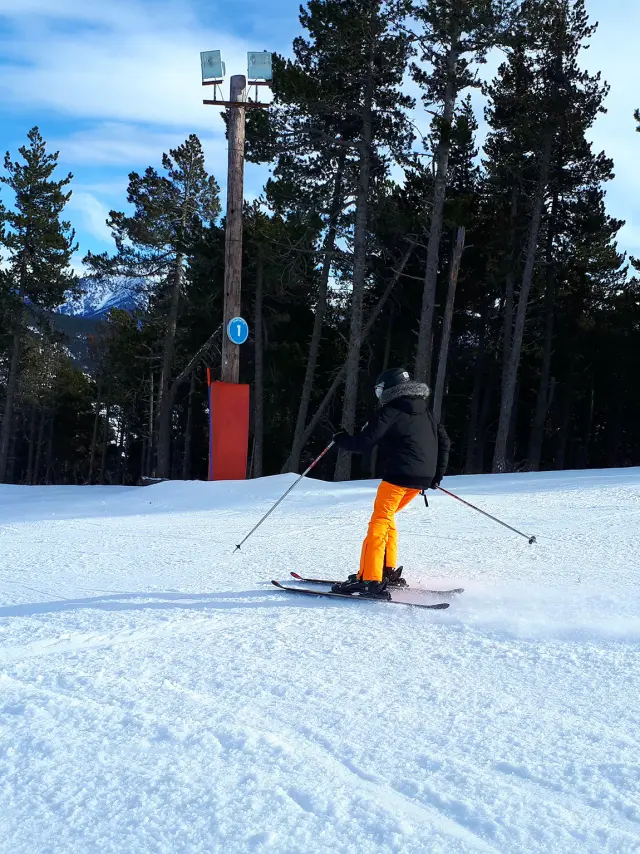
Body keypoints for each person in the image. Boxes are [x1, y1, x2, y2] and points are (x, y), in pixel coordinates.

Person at [331, 368, 450, 598]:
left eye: (379, 390)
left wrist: (341, 439)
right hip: (419, 480)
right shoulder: (425, 411)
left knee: (379, 521)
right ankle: (387, 571)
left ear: (388, 389)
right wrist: (436, 476)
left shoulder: (392, 409)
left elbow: (365, 442)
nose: (379, 395)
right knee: (387, 518)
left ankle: (370, 579)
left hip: (398, 477)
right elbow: (444, 440)